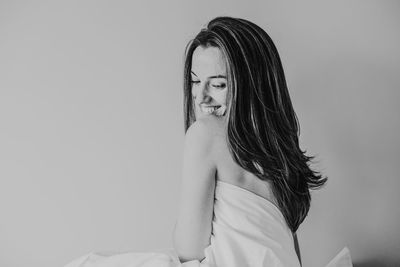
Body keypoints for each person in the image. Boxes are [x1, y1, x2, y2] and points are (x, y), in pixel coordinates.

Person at [64, 16, 353, 267]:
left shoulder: (204, 134)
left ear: (252, 87)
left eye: (217, 84)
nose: (201, 98)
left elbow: (189, 249)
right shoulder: (283, 161)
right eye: (194, 81)